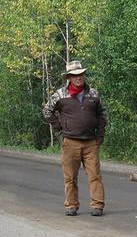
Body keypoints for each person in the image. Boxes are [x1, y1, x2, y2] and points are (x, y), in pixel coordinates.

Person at [43, 60, 107, 216]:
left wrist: (100, 136)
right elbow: (46, 112)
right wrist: (59, 129)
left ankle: (97, 205)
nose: (79, 78)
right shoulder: (60, 94)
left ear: (84, 75)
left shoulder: (93, 94)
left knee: (95, 175)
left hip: (91, 142)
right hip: (70, 142)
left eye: (81, 74)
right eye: (75, 75)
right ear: (69, 77)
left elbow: (102, 115)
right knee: (70, 177)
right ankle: (71, 205)